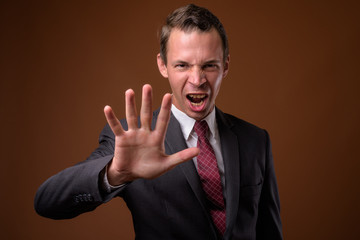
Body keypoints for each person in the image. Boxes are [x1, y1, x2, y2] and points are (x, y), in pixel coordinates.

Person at [35, 4, 283, 240]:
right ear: (163, 65)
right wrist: (115, 173)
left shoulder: (256, 140)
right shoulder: (130, 140)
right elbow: (46, 201)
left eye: (209, 65)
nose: (197, 79)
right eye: (182, 65)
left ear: (225, 65)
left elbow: (269, 231)